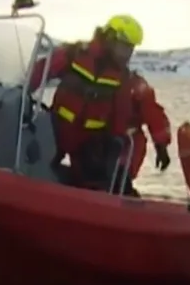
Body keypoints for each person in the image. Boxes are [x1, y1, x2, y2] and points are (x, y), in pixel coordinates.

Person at [25, 14, 144, 188]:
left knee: (97, 183)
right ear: (110, 38)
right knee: (31, 165)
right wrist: (23, 91)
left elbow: (121, 114)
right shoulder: (76, 53)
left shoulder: (122, 77)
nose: (127, 54)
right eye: (124, 47)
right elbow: (42, 71)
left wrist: (116, 146)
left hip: (89, 141)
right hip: (57, 128)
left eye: (131, 49)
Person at [121, 72, 173, 192]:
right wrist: (161, 148)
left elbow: (153, 116)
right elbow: (154, 116)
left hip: (122, 143)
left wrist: (161, 147)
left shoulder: (137, 86)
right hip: (103, 142)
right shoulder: (136, 85)